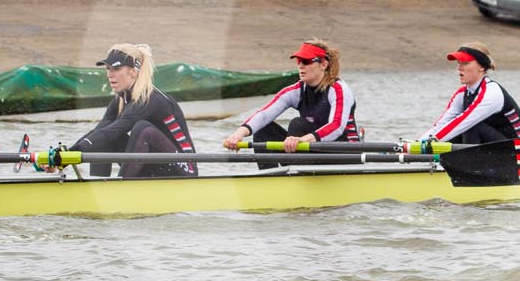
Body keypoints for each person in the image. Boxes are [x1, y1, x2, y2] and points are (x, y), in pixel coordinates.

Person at [71, 44, 197, 178]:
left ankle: (122, 188)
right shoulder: (119, 100)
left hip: (185, 169)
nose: (109, 74)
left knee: (142, 129)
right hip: (155, 166)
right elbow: (100, 132)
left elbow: (113, 131)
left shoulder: (149, 99)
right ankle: (98, 184)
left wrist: (73, 153)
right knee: (102, 138)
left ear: (133, 71)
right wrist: (65, 154)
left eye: (116, 68)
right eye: (108, 68)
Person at [225, 39, 360, 153]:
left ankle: (294, 173)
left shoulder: (338, 89)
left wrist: (303, 139)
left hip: (345, 154)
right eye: (299, 61)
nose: (301, 66)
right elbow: (264, 114)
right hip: (313, 150)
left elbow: (336, 126)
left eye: (306, 61)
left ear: (324, 64)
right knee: (263, 129)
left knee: (298, 124)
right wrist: (237, 135)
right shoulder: (296, 90)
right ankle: (273, 177)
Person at [422, 43, 520, 146]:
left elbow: (464, 122)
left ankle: (466, 163)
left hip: (518, 153)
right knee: (451, 133)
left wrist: (430, 143)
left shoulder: (492, 92)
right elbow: (441, 125)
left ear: (481, 67)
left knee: (468, 126)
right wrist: (417, 144)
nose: (459, 68)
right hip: (494, 150)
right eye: (459, 63)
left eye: (465, 63)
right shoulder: (462, 93)